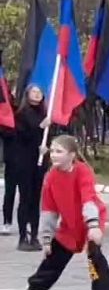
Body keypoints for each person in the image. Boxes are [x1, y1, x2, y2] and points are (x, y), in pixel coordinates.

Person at [10, 135, 109, 290]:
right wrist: (46, 238)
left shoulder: (82, 171)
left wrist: (93, 227)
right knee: (53, 255)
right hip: (70, 223)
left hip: (90, 220)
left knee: (95, 256)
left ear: (72, 155)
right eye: (52, 151)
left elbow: (88, 199)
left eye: (59, 151)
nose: (54, 155)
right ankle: (35, 288)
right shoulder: (51, 177)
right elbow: (48, 210)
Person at [13, 85, 49, 251]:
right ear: (27, 94)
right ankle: (22, 237)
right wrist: (39, 128)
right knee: (25, 198)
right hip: (24, 161)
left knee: (36, 199)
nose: (37, 95)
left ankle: (34, 235)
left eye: (39, 92)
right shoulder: (21, 114)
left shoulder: (45, 114)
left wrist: (47, 148)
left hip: (39, 162)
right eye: (34, 92)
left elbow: (47, 137)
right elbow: (23, 136)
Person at [1, 123, 16, 236]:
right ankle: (7, 221)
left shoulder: (27, 113)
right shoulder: (6, 117)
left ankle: (27, 221)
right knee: (9, 192)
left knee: (27, 193)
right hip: (11, 160)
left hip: (26, 159)